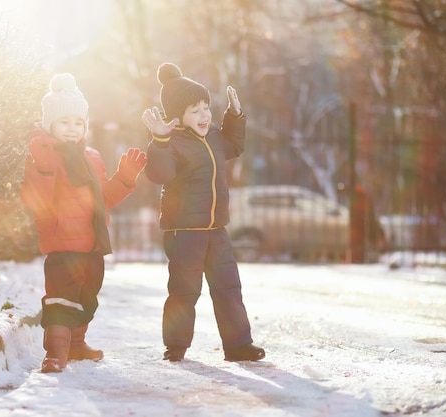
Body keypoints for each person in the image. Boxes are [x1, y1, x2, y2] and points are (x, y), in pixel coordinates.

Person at [21, 73, 147, 373]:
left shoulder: (92, 156)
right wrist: (43, 166)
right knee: (61, 299)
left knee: (87, 296)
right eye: (64, 122)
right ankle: (55, 353)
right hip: (63, 243)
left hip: (92, 244)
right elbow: (37, 198)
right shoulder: (44, 155)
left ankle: (77, 345)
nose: (72, 128)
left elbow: (104, 198)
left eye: (78, 122)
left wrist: (125, 179)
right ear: (50, 124)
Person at [141, 62, 265, 362]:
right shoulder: (172, 143)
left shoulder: (213, 137)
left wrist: (234, 116)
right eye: (194, 110)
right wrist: (159, 140)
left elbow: (234, 145)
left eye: (206, 107)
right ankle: (176, 345)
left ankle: (238, 346)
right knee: (185, 291)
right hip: (184, 232)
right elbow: (159, 174)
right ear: (178, 117)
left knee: (228, 288)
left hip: (216, 230)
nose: (204, 115)